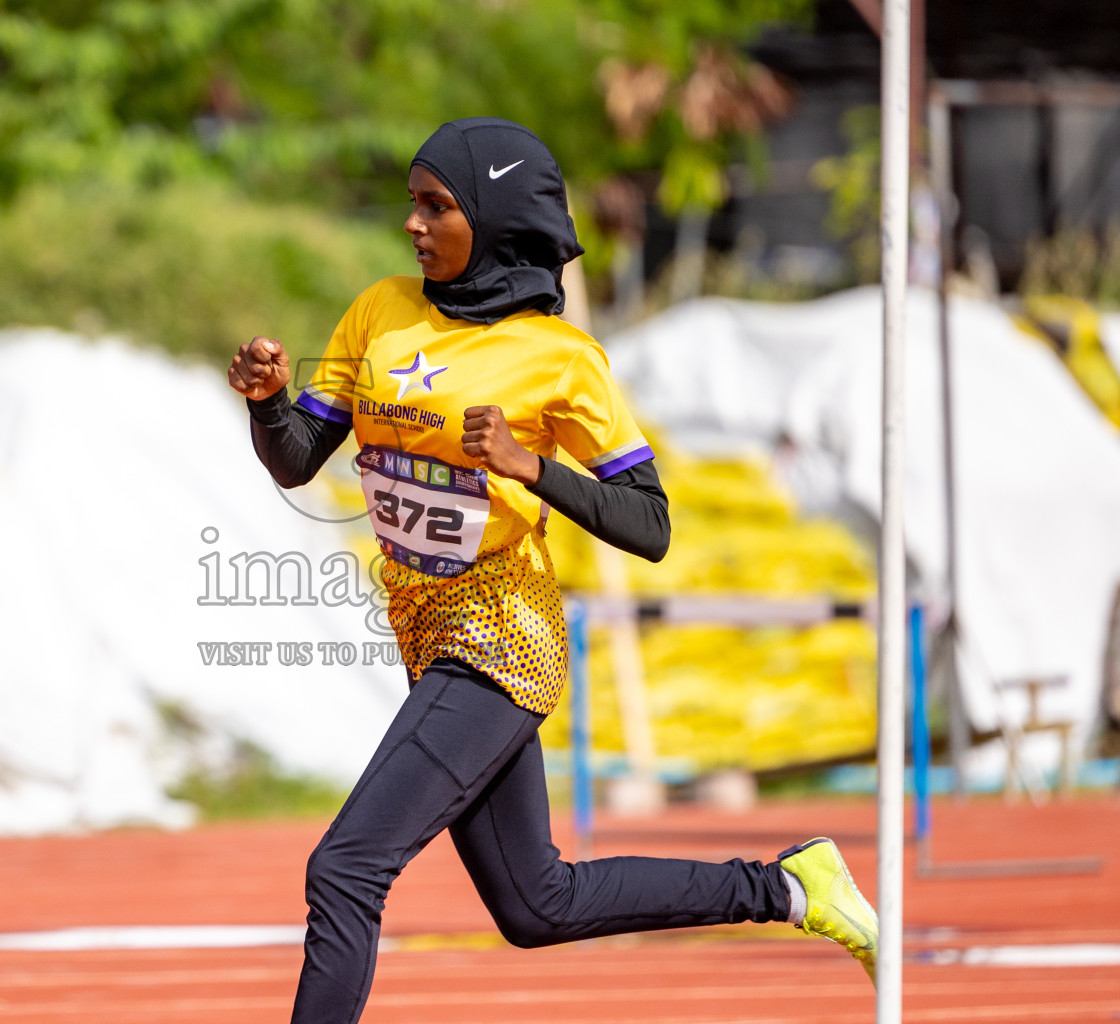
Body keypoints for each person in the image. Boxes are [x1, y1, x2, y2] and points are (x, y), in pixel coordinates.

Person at [228, 117, 877, 1024]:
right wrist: (266, 405)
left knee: (344, 867)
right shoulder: (378, 311)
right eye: (412, 202)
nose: (412, 224)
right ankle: (789, 887)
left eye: (435, 206)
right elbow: (300, 458)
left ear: (490, 219)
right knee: (537, 906)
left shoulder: (562, 360)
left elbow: (651, 524)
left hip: (500, 639)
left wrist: (534, 468)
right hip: (427, 636)